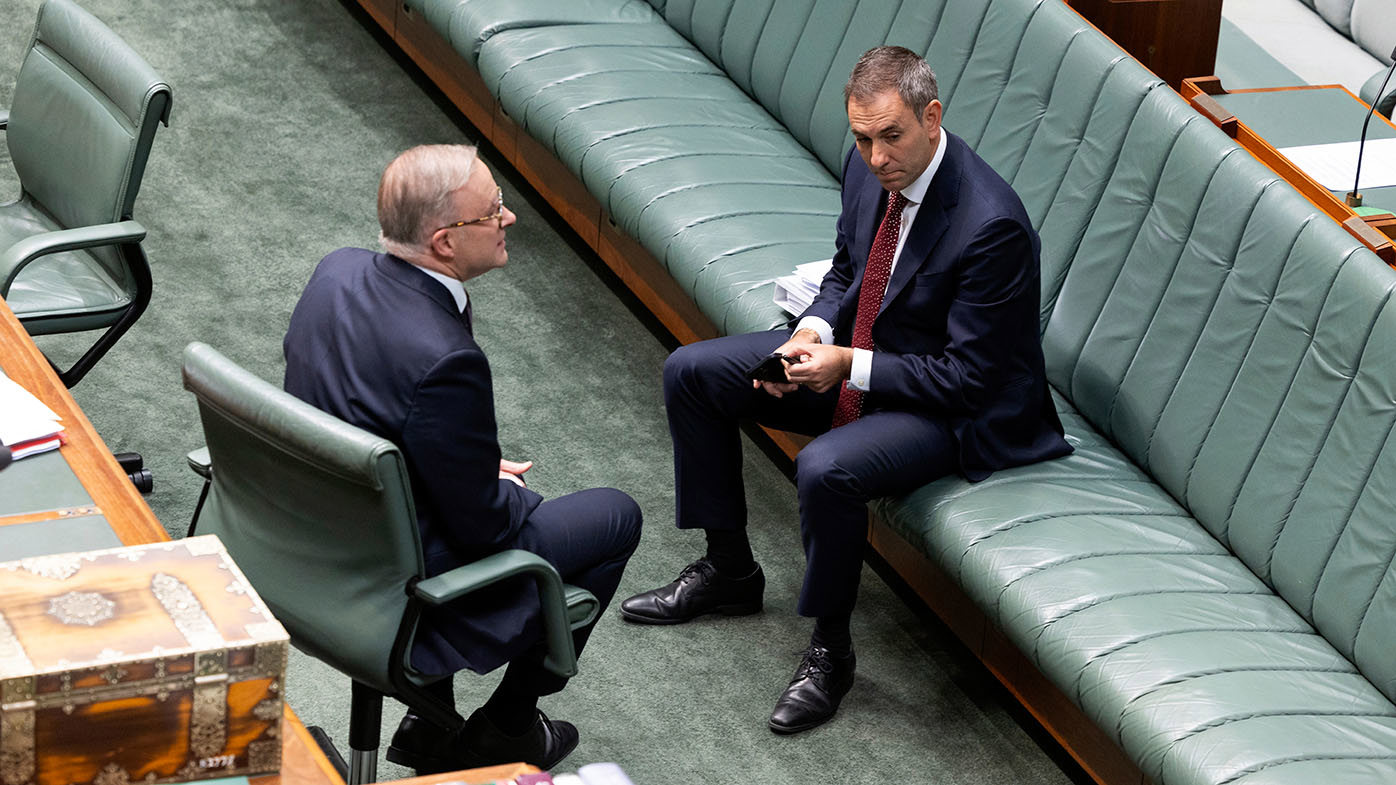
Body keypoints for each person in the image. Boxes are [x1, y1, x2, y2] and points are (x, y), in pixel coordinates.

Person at [620, 46, 1071, 734]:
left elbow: (969, 377)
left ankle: (831, 649)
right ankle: (730, 570)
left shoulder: (992, 225)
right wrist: (814, 327)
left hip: (959, 410)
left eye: (891, 136)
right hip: (870, 356)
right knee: (693, 371)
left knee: (825, 468)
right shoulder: (871, 173)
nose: (876, 156)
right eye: (862, 139)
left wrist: (848, 364)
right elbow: (847, 270)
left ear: (932, 116)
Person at [283, 144, 641, 771]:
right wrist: (498, 490)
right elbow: (485, 527)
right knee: (615, 516)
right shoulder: (445, 358)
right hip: (398, 573)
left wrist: (465, 469)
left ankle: (429, 723)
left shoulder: (335, 270)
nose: (510, 219)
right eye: (493, 211)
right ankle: (508, 728)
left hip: (307, 538)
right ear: (445, 242)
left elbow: (355, 412)